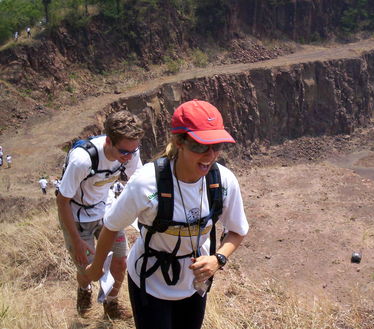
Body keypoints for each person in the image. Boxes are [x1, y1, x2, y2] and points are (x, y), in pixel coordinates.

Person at [85, 100, 249, 329]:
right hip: (149, 282)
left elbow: (237, 231)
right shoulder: (146, 183)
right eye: (201, 146)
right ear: (179, 142)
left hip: (194, 285)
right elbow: (111, 225)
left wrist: (217, 259)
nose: (210, 155)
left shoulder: (223, 181)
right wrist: (95, 268)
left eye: (217, 145)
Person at [57, 111, 144, 319]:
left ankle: (110, 305)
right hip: (78, 218)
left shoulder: (131, 151)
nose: (129, 157)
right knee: (89, 270)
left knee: (120, 263)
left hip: (107, 212)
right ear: (108, 141)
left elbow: (138, 183)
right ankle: (84, 289)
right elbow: (62, 201)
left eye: (133, 151)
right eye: (124, 152)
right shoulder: (82, 161)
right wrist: (77, 241)